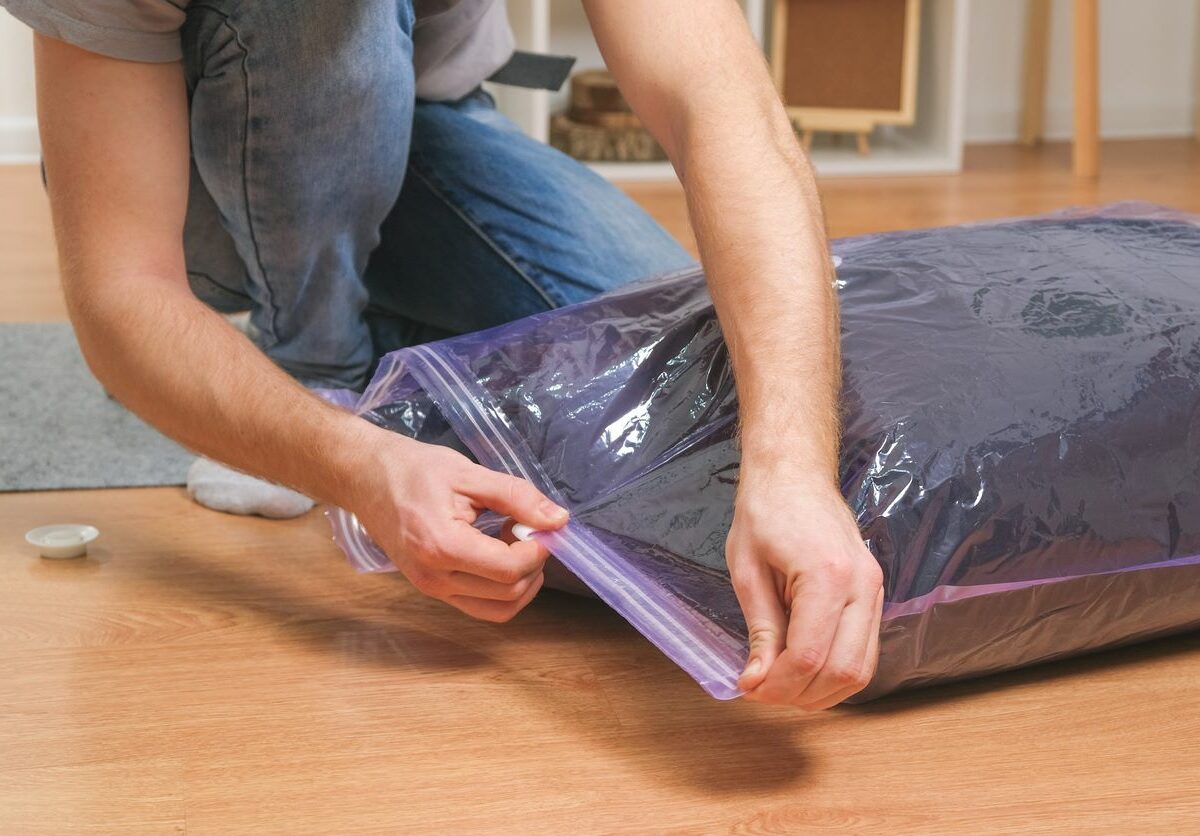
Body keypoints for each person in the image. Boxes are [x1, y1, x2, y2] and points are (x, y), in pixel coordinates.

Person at [7, 0, 883, 710]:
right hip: (195, 160)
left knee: (664, 363)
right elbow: (122, 295)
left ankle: (394, 344)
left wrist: (793, 464)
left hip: (429, 125)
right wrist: (358, 464)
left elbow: (724, 105)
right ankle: (315, 358)